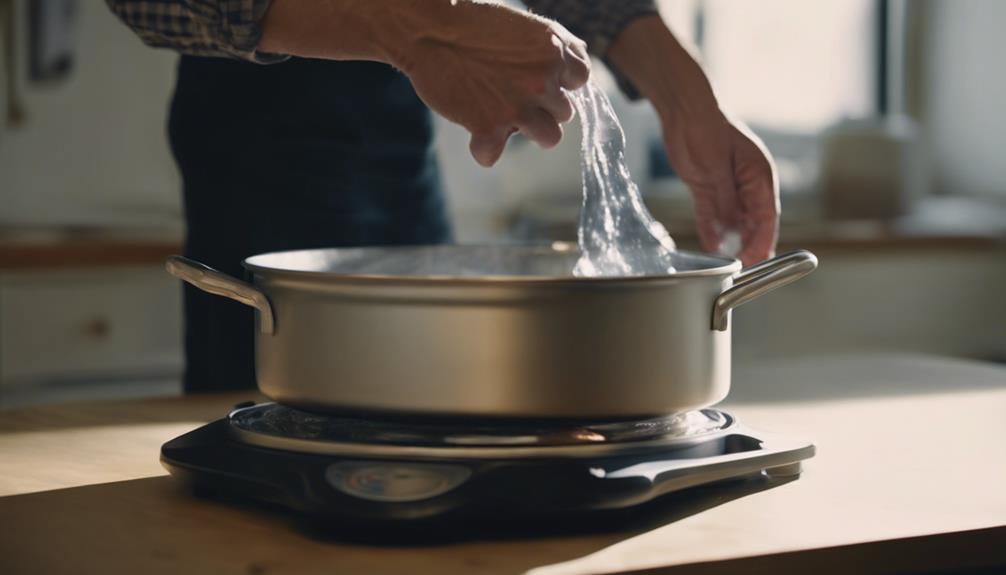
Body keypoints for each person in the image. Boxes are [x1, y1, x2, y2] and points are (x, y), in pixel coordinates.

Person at [106, 0, 779, 393]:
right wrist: (416, 28)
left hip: (401, 163)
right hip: (254, 167)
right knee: (267, 451)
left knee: (432, 421)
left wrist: (691, 99)